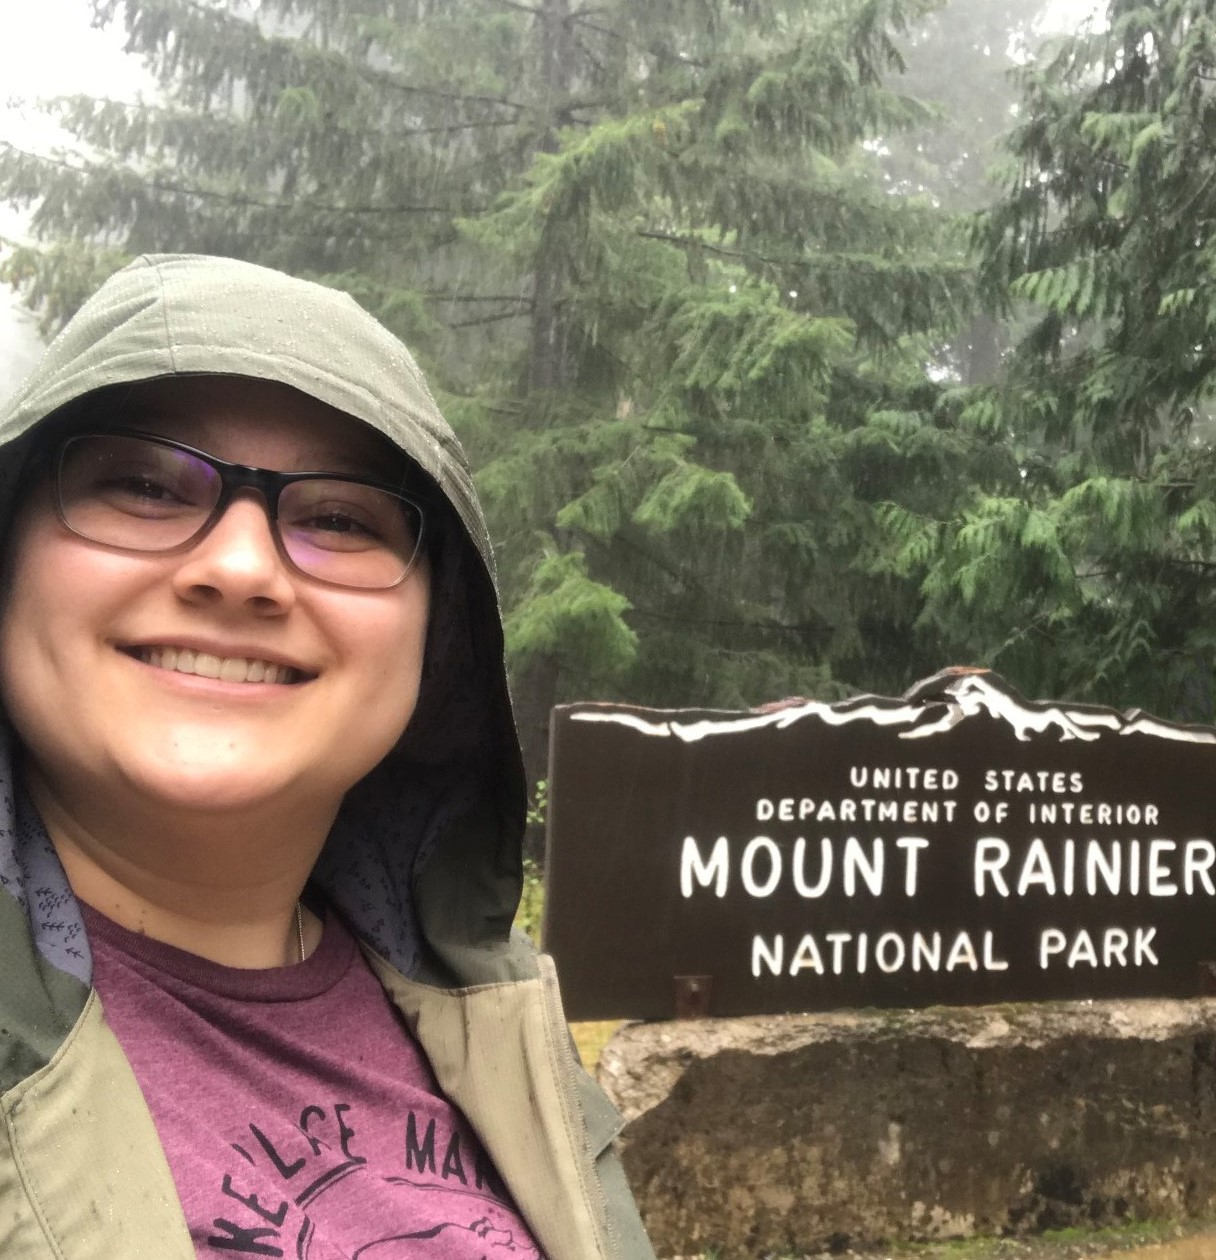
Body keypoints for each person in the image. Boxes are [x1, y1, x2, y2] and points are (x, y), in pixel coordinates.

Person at [0, 254, 655, 1259]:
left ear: (436, 640)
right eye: (140, 486)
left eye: (341, 519)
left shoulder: (493, 1022)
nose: (240, 567)